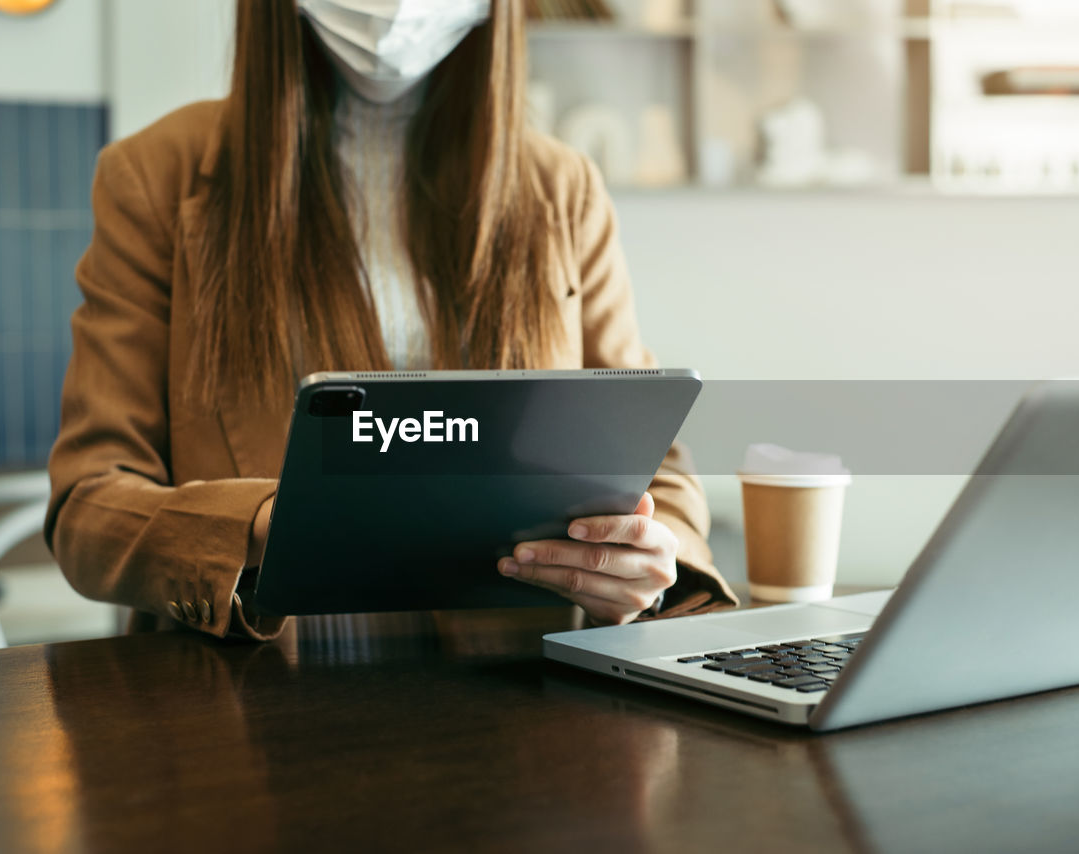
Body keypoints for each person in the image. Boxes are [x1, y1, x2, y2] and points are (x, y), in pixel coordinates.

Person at [44, 0, 736, 641]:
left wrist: (650, 559)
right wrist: (259, 527)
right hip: (251, 719)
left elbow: (654, 461)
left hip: (519, 718)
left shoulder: (562, 189)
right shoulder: (156, 176)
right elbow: (89, 505)